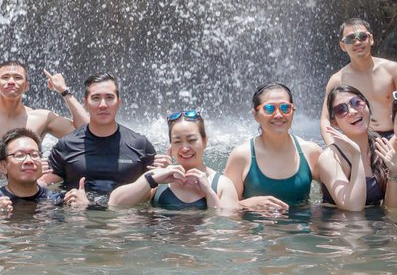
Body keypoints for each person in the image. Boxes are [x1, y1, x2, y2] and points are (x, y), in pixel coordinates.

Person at [46, 74, 156, 209]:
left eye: (109, 98)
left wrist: (165, 172)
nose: (103, 105)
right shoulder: (66, 145)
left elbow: (155, 190)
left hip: (126, 222)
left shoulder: (140, 145)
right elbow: (41, 187)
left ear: (118, 102)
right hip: (78, 220)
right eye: (96, 98)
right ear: (85, 103)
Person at [107, 109, 235, 212]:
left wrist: (209, 192)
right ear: (171, 145)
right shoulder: (159, 178)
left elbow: (225, 230)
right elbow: (114, 204)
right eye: (177, 142)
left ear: (205, 141)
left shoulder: (222, 185)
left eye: (191, 140)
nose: (185, 148)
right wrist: (151, 179)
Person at [223, 82, 322, 214]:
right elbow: (224, 208)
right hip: (256, 233)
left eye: (285, 108)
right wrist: (246, 204)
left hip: (300, 232)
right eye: (269, 108)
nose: (278, 115)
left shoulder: (311, 152)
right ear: (255, 114)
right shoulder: (241, 156)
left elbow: (334, 199)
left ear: (293, 111)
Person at [0, 58, 89, 146]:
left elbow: (86, 132)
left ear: (26, 86)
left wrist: (64, 91)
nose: (11, 82)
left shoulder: (42, 118)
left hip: (29, 189)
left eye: (17, 77)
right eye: (5, 77)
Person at [320, 18, 397, 140]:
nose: (357, 42)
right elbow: (325, 120)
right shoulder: (338, 80)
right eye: (350, 39)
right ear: (343, 46)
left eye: (362, 36)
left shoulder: (392, 70)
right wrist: (333, 146)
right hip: (361, 140)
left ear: (371, 39)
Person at [315, 84, 397, 210]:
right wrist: (356, 156)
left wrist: (393, 173)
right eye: (341, 110)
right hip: (342, 227)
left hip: (377, 226)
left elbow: (391, 210)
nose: (352, 111)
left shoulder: (381, 147)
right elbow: (353, 208)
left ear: (367, 106)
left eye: (357, 103)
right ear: (334, 122)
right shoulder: (330, 158)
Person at [0, 128, 82, 215]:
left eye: (34, 154)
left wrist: (82, 208)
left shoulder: (57, 200)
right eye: (19, 155)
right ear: (3, 165)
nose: (29, 161)